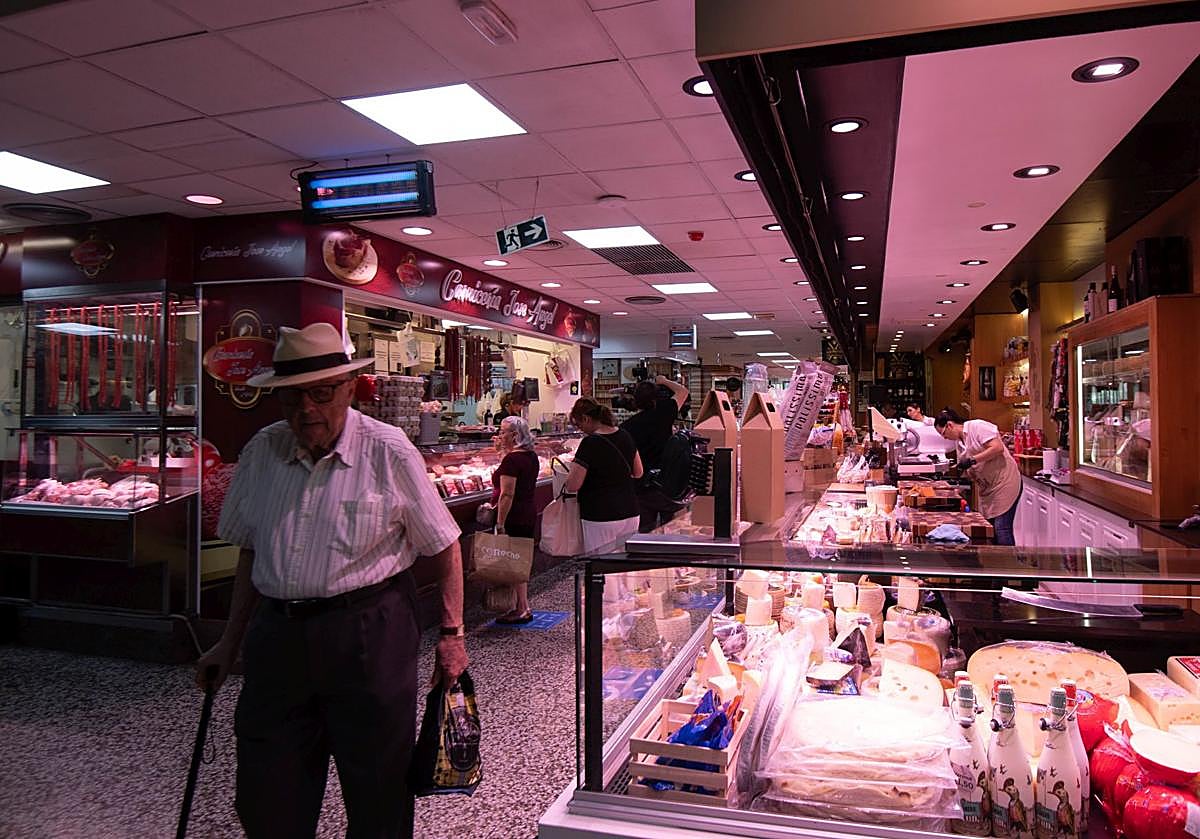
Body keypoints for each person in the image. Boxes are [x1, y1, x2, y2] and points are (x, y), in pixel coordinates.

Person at [195, 322, 468, 839]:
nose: (307, 411)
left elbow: (444, 544)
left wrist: (452, 637)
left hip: (370, 630)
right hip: (277, 635)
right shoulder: (262, 451)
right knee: (267, 790)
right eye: (292, 398)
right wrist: (228, 642)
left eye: (321, 395)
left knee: (378, 784)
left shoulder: (388, 450)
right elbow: (252, 552)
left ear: (348, 389)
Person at [565, 397, 643, 554]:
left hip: (600, 514)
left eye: (580, 425)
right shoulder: (625, 435)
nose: (581, 430)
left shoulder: (590, 443)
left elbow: (573, 485)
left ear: (586, 418)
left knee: (601, 566)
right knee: (623, 568)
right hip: (630, 511)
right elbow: (639, 472)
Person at [934, 408, 1023, 546]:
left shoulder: (977, 426)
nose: (945, 438)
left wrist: (972, 460)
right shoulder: (960, 443)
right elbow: (969, 471)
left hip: (1005, 482)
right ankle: (996, 564)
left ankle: (1009, 565)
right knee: (991, 528)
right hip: (988, 488)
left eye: (944, 434)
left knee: (1002, 528)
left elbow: (997, 448)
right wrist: (955, 487)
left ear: (950, 425)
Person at [621, 374, 689, 533]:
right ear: (656, 398)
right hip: (668, 482)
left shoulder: (628, 426)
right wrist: (664, 381)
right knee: (674, 529)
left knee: (645, 532)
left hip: (642, 486)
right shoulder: (665, 412)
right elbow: (683, 391)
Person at [490, 415, 539, 624]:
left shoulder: (513, 459)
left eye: (503, 431)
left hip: (514, 515)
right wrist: (501, 451)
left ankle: (521, 608)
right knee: (521, 560)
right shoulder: (530, 456)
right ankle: (523, 605)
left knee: (515, 561)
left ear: (515, 435)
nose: (500, 435)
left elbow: (507, 494)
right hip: (528, 512)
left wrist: (500, 523)